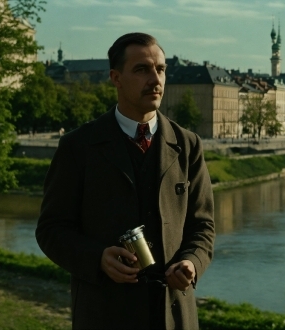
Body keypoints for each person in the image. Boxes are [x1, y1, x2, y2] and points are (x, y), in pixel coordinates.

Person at [36, 32, 215, 329]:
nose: (155, 79)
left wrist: (192, 262)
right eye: (142, 69)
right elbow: (51, 229)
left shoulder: (188, 145)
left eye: (160, 69)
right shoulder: (78, 146)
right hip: (104, 313)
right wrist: (98, 259)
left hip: (173, 315)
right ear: (115, 78)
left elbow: (203, 226)